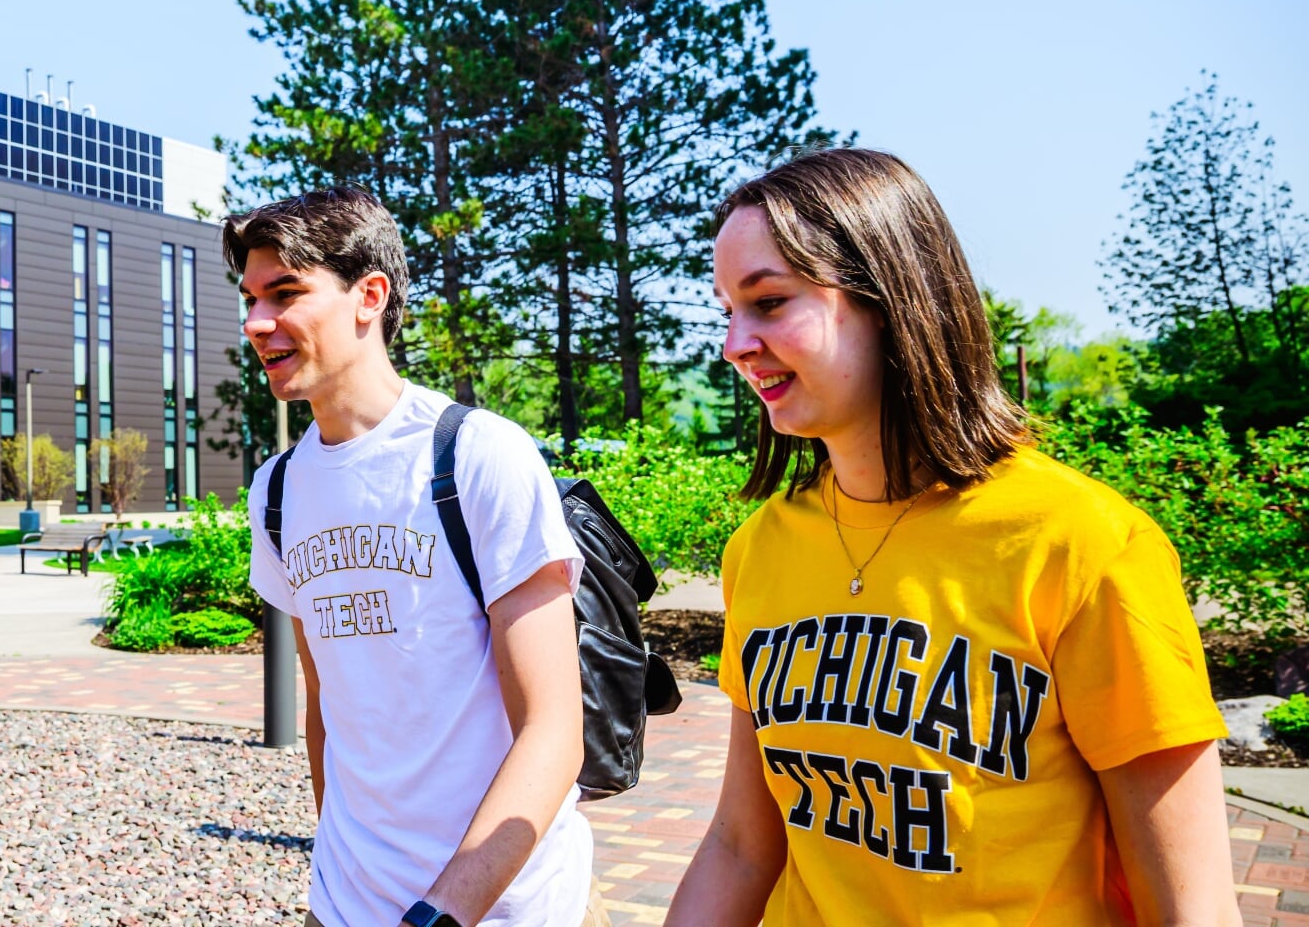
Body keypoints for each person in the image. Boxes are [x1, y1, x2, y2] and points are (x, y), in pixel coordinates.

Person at [665, 148, 1238, 926]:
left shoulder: (1085, 545)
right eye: (726, 310)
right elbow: (740, 842)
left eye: (768, 302)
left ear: (889, 298)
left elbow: (1191, 906)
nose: (734, 344)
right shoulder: (759, 549)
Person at [230, 186, 603, 927]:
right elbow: (326, 710)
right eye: (249, 298)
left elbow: (554, 730)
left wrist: (439, 912)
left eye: (285, 293)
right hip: (347, 906)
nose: (256, 323)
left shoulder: (476, 453)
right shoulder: (276, 491)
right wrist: (341, 884)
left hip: (505, 909)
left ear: (370, 295)